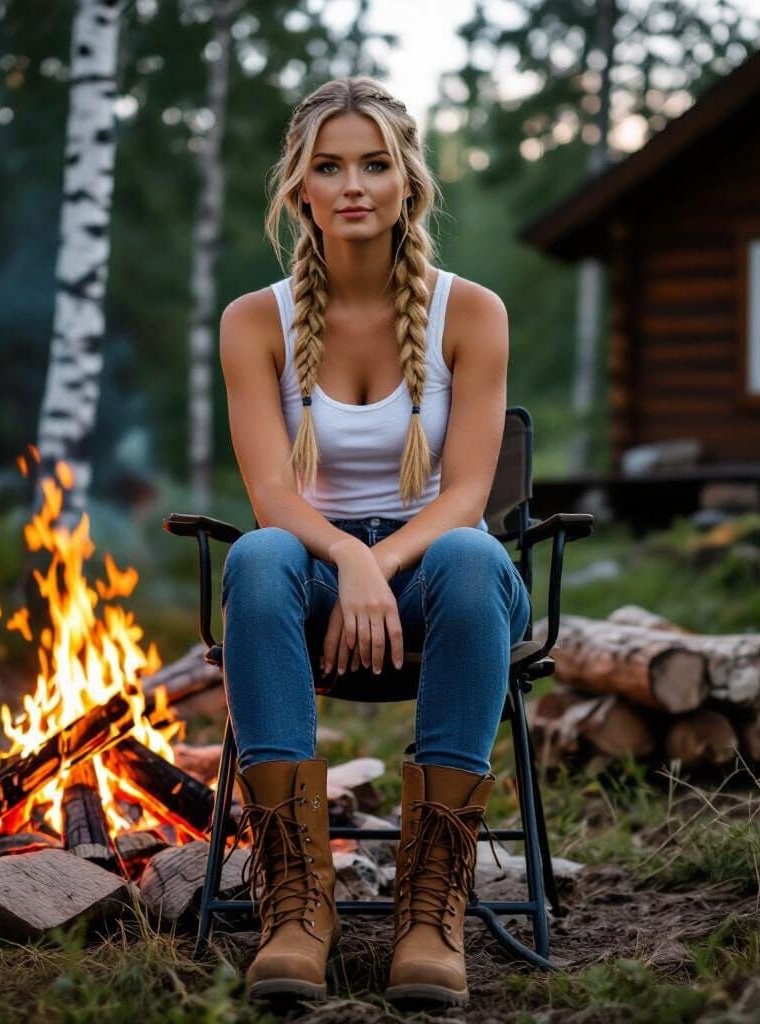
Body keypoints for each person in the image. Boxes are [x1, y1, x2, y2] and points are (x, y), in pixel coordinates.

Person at [217, 75, 532, 1007]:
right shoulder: (253, 321)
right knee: (256, 554)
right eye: (329, 166)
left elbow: (469, 495)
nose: (353, 183)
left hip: (441, 573)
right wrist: (347, 556)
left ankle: (430, 909)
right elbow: (273, 494)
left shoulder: (469, 313)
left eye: (374, 164)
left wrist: (380, 557)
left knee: (474, 555)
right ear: (299, 189)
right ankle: (295, 906)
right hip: (311, 571)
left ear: (408, 184)